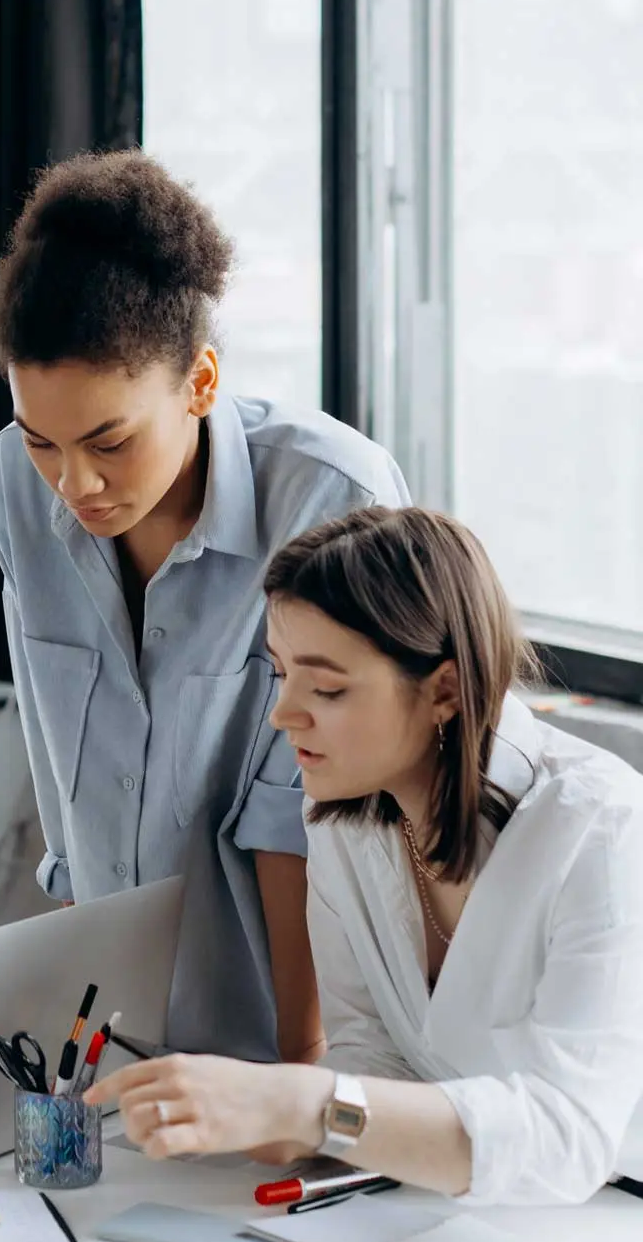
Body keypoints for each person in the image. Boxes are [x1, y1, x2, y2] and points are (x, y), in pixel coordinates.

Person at [0, 150, 409, 1066]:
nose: (74, 484)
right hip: (109, 1029)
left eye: (110, 440)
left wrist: (299, 1074)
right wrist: (79, 1029)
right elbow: (66, 768)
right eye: (42, 441)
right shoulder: (13, 481)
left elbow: (309, 809)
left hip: (291, 1027)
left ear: (201, 383)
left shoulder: (331, 495)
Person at [89, 506, 643, 1206]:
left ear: (443, 690)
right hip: (460, 1212)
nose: (283, 714)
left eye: (326, 688)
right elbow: (374, 1051)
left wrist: (312, 1106)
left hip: (611, 1217)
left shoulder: (603, 832)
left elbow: (568, 1138)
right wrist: (277, 1122)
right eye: (281, 674)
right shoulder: (342, 821)